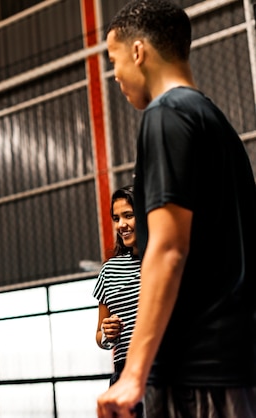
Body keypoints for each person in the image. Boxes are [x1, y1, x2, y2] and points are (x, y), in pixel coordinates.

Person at [97, 1, 256, 417]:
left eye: (113, 60)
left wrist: (133, 374)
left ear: (138, 52)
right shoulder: (214, 122)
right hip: (233, 363)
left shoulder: (165, 116)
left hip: (196, 370)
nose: (114, 75)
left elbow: (168, 249)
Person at [92, 185, 143, 416]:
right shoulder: (109, 270)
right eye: (116, 218)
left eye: (128, 215)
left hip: (165, 370)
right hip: (123, 375)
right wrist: (107, 334)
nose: (121, 224)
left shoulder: (163, 261)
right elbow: (100, 337)